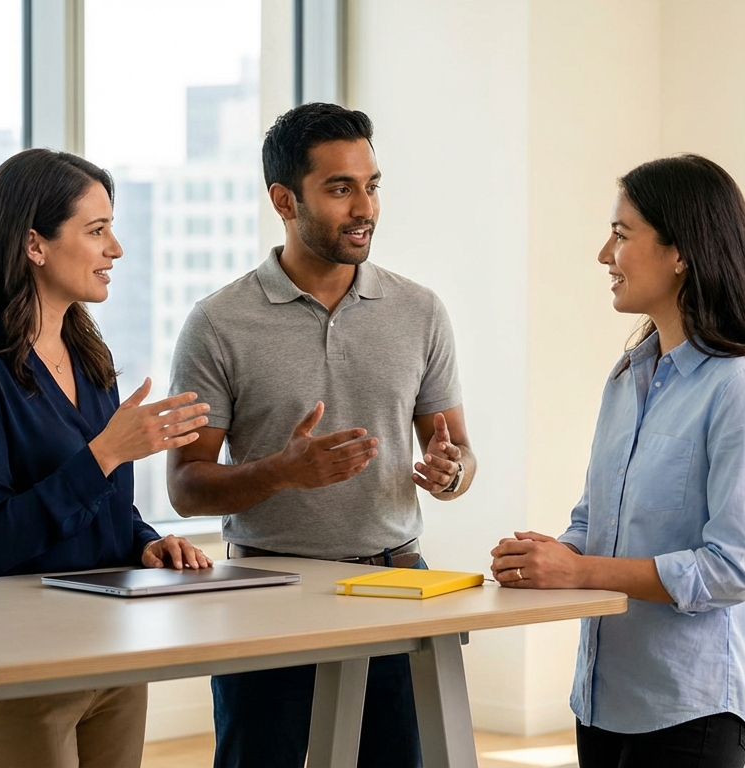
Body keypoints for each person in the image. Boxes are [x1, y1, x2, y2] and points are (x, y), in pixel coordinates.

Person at [167, 102, 476, 768]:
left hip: (396, 583)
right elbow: (187, 486)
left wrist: (452, 471)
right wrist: (281, 471)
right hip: (265, 592)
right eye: (340, 188)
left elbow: (457, 453)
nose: (365, 206)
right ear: (284, 199)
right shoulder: (218, 323)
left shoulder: (420, 311)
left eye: (372, 185)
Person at [490, 154, 745, 768]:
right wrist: (546, 558)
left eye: (620, 233)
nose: (602, 255)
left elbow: (730, 571)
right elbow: (593, 524)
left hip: (690, 710)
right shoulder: (627, 377)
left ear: (681, 252)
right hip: (601, 700)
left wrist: (580, 572)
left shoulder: (744, 387)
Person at [0, 148, 214, 768]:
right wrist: (106, 452)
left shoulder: (89, 355)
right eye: (97, 230)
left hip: (108, 644)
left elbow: (109, 508)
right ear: (34, 244)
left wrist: (146, 542)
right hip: (16, 654)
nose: (116, 249)